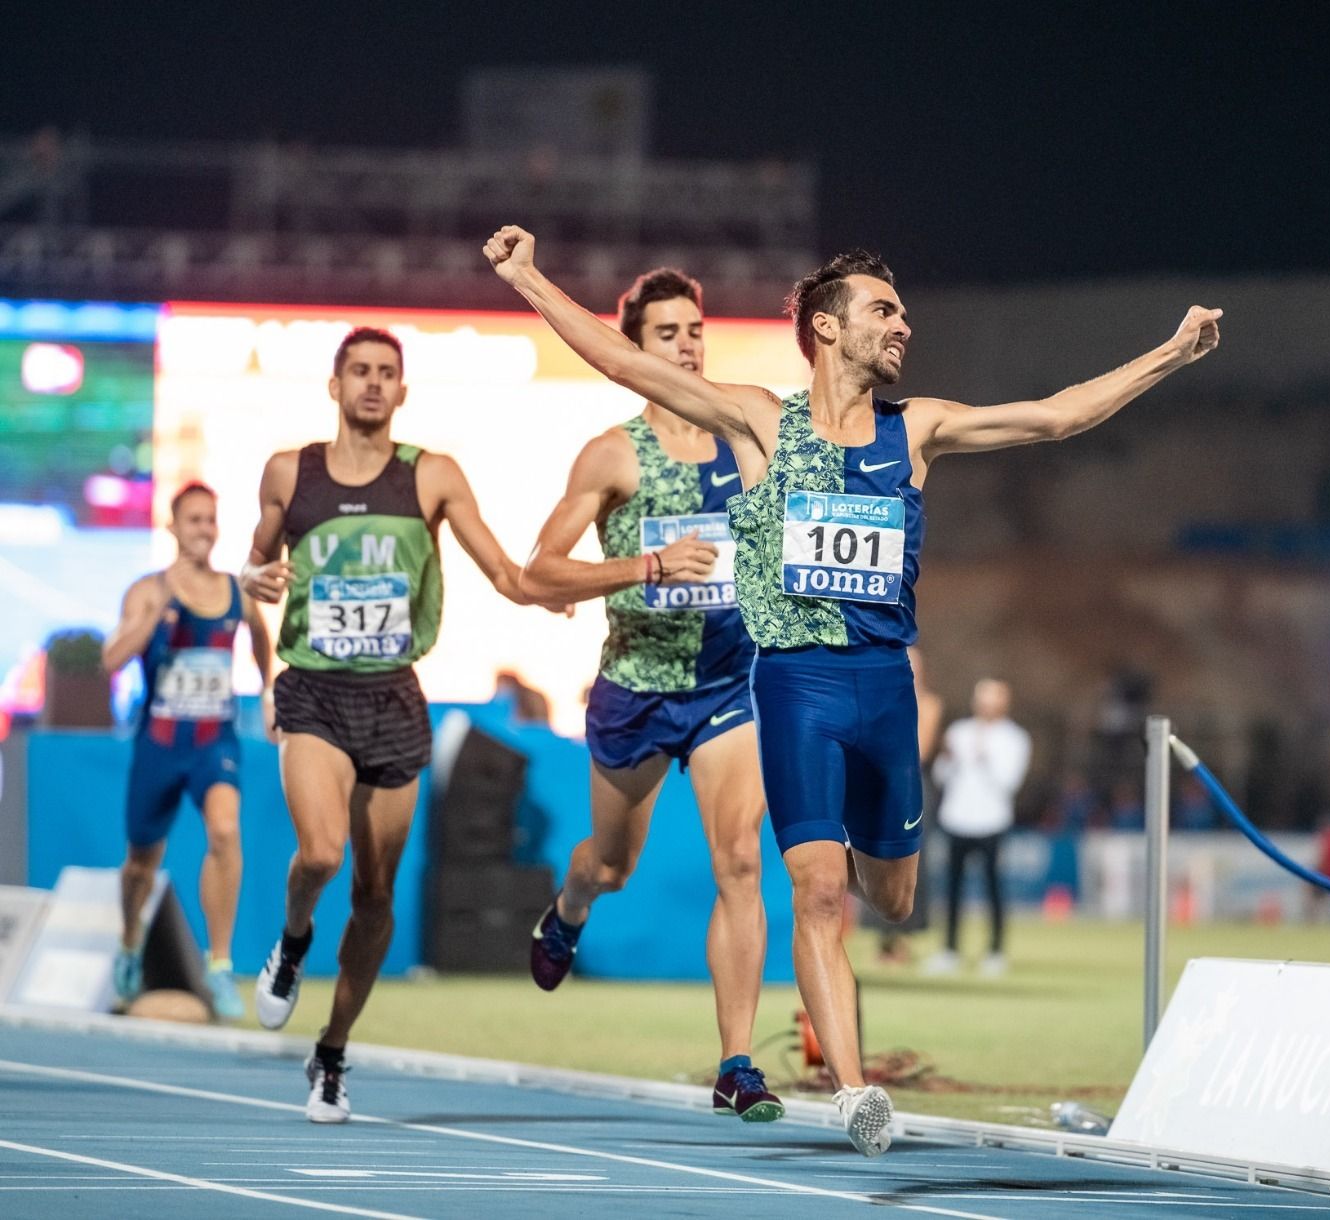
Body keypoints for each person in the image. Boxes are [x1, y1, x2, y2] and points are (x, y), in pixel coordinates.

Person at [484, 224, 1221, 1155]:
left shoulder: (918, 428)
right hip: (793, 685)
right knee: (815, 892)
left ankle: (846, 1021)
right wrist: (527, 279)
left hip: (885, 692)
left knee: (894, 899)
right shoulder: (759, 420)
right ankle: (854, 1090)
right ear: (828, 328)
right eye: (884, 309)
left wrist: (1172, 352)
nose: (903, 323)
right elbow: (620, 363)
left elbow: (1055, 417)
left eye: (903, 310)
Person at [241, 326, 556, 1123]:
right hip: (313, 689)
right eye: (360, 372)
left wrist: (560, 587)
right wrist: (258, 627)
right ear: (335, 384)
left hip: (392, 698)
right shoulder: (291, 473)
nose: (373, 385)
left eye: (387, 373)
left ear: (403, 392)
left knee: (376, 893)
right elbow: (254, 574)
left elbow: (504, 571)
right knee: (319, 852)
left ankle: (333, 1053)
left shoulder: (433, 476)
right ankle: (293, 940)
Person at [517, 267, 782, 1124]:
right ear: (634, 349)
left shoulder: (747, 439)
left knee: (740, 859)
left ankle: (736, 1063)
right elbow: (537, 571)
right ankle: (569, 909)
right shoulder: (614, 453)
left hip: (725, 686)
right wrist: (645, 566)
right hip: (636, 689)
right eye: (666, 334)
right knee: (613, 866)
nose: (687, 345)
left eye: (694, 330)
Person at [103, 481, 274, 1019]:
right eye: (193, 520)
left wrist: (270, 692)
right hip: (159, 743)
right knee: (139, 866)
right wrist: (154, 616)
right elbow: (112, 658)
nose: (203, 529)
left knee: (225, 831)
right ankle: (130, 943)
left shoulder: (234, 591)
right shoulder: (149, 591)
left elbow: (262, 639)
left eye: (210, 520)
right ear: (172, 528)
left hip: (212, 742)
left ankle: (219, 964)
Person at [924, 678, 1031, 977]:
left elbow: (1009, 783)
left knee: (994, 888)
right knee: (952, 888)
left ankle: (995, 951)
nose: (985, 706)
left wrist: (985, 758)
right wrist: (949, 759)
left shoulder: (1015, 739)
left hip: (991, 821)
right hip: (957, 818)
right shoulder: (959, 732)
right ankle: (949, 949)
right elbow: (942, 777)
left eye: (992, 699)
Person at [873, 645, 943, 963]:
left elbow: (921, 749)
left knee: (911, 860)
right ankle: (883, 940)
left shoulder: (928, 704)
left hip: (911, 784)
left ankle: (904, 936)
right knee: (873, 855)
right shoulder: (883, 700)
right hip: (880, 782)